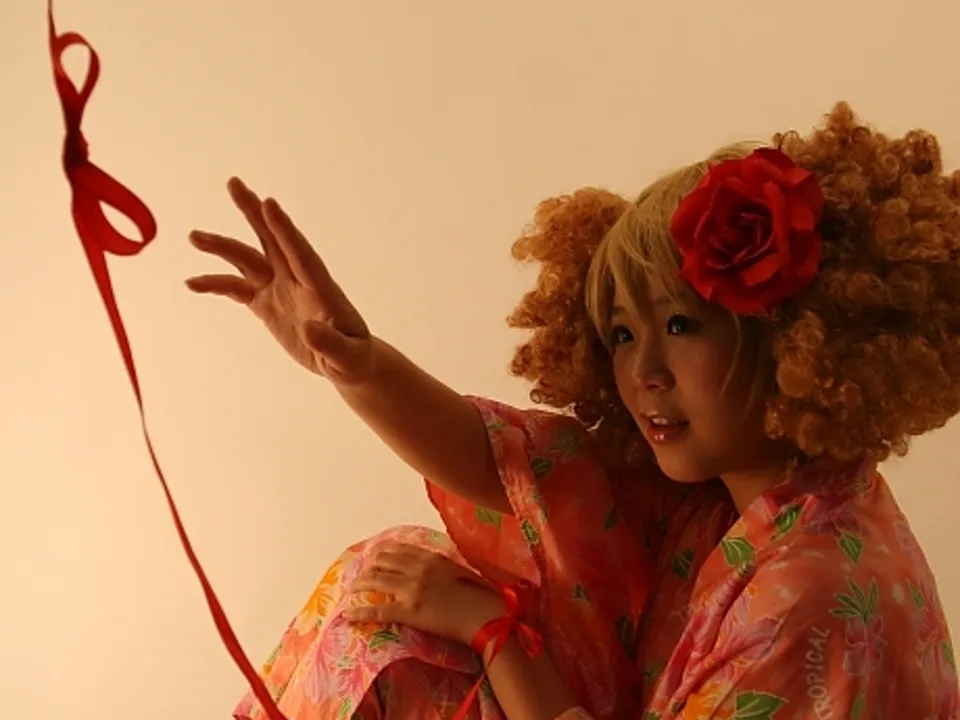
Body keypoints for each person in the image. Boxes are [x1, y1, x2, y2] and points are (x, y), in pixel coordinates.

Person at [187, 102, 960, 719]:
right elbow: (519, 470)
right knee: (391, 607)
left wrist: (495, 632)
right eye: (622, 334)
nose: (643, 372)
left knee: (415, 627)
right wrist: (355, 363)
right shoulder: (740, 496)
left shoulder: (809, 594)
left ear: (791, 335)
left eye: (680, 325)